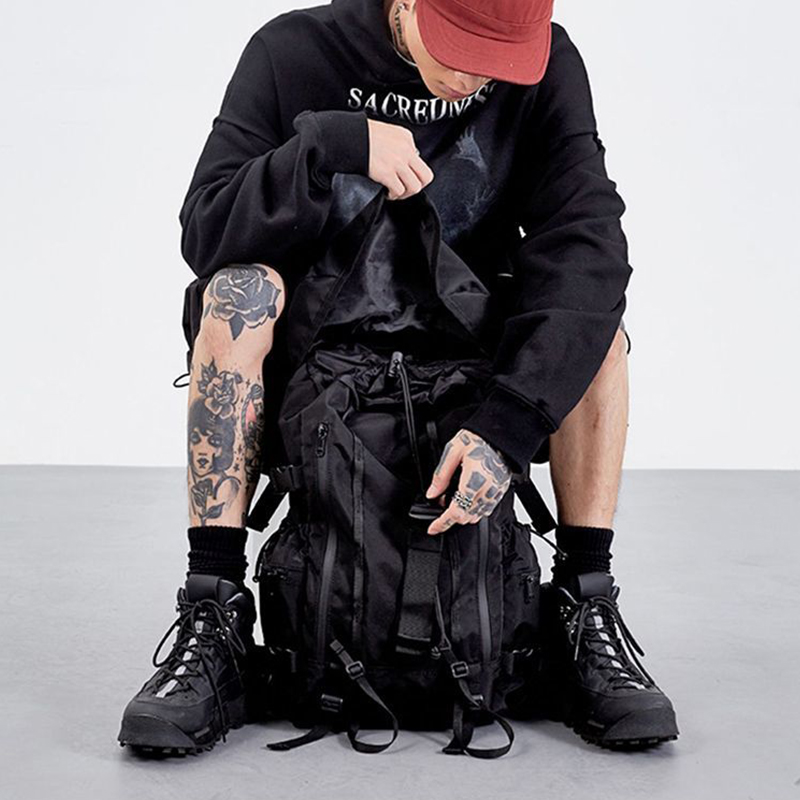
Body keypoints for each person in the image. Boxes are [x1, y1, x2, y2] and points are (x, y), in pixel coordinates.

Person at [118, 0, 678, 755]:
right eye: (461, 47)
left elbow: (588, 241)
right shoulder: (291, 50)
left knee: (596, 326)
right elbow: (206, 230)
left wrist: (510, 424)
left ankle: (585, 602)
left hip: (471, 357)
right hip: (319, 360)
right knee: (236, 293)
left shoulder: (551, 65)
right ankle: (213, 611)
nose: (474, 76)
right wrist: (329, 148)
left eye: (498, 60)